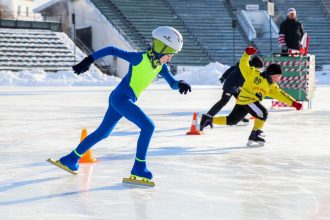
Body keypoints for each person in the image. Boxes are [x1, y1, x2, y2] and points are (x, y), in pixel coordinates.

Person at [52, 26, 191, 182]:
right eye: (169, 54)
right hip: (121, 98)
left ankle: (70, 159)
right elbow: (112, 49)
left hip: (121, 99)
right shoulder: (140, 58)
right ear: (161, 47)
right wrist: (88, 60)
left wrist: (181, 84)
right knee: (148, 126)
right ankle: (139, 168)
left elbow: (172, 84)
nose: (170, 59)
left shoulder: (161, 67)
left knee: (103, 133)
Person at [200, 46, 302, 146]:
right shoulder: (254, 74)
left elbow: (282, 95)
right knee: (263, 113)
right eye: (278, 76)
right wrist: (247, 54)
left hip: (243, 102)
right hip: (247, 100)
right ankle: (255, 134)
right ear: (271, 74)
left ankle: (208, 119)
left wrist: (293, 103)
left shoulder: (272, 87)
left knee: (232, 120)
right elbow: (243, 65)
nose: (279, 79)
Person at [199, 56, 264, 130]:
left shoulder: (244, 65)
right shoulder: (246, 69)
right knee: (223, 101)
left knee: (242, 101)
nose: (258, 70)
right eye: (258, 68)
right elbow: (242, 81)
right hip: (230, 87)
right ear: (255, 65)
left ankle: (240, 117)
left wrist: (223, 77)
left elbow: (231, 69)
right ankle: (208, 116)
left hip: (235, 87)